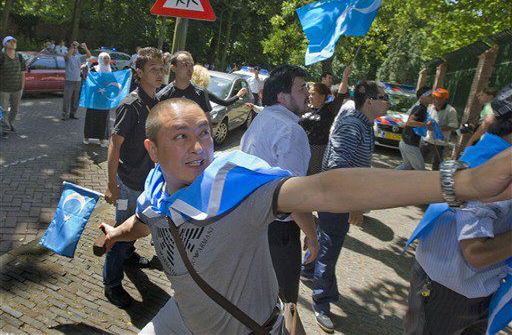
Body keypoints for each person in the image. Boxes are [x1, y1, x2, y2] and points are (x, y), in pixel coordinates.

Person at [99, 96, 512, 335]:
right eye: (181, 137)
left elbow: (323, 189)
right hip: (181, 321)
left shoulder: (235, 185)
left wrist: (462, 184)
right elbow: (148, 219)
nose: (198, 147)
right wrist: (116, 233)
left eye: (204, 132)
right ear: (153, 151)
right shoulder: (155, 187)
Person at [403, 84, 512, 335]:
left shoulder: (491, 153)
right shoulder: (492, 165)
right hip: (448, 291)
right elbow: (475, 252)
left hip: (469, 288)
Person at [303, 80, 389, 332]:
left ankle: (308, 269)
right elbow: (339, 168)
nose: (387, 102)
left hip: (339, 197)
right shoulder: (353, 124)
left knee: (324, 241)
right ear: (370, 101)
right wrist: (354, 204)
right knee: (330, 249)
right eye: (384, 97)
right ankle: (321, 302)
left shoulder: (362, 122)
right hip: (338, 199)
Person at [241, 65, 319, 307]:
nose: (308, 92)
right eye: (302, 88)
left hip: (252, 223)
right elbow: (291, 197)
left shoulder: (262, 118)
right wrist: (313, 236)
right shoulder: (291, 131)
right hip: (278, 234)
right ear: (282, 97)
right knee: (283, 305)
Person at [102, 47, 163, 308]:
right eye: (154, 69)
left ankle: (129, 256)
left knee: (136, 229)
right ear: (139, 73)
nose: (160, 74)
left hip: (149, 184)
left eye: (162, 69)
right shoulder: (131, 105)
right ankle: (112, 283)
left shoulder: (157, 102)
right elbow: (114, 145)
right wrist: (111, 185)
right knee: (118, 234)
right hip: (128, 187)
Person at [156, 51, 212, 119]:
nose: (190, 69)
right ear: (173, 68)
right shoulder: (163, 96)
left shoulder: (201, 93)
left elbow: (207, 124)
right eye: (185, 65)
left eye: (192, 65)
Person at [300, 82, 335, 175]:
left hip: (318, 150)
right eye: (310, 94)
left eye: (313, 94)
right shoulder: (305, 108)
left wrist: (345, 77)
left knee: (312, 176)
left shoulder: (329, 110)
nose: (310, 96)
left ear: (322, 96)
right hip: (302, 147)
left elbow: (341, 96)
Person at [420, 88, 459, 170]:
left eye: (439, 98)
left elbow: (454, 125)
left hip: (440, 143)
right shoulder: (430, 107)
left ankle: (434, 181)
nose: (436, 99)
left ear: (445, 99)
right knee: (418, 160)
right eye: (435, 97)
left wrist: (437, 128)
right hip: (426, 139)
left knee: (436, 165)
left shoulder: (451, 111)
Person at [396, 87, 434, 171]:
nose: (432, 97)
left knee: (407, 166)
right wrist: (426, 125)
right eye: (430, 95)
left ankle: (388, 176)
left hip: (406, 142)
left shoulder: (421, 108)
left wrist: (427, 126)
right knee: (421, 171)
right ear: (422, 98)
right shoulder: (420, 109)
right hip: (410, 143)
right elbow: (409, 122)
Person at [83, 52, 112, 146]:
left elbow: (113, 83)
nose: (107, 60)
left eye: (108, 58)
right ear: (100, 59)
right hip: (94, 98)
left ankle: (101, 138)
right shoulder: (94, 70)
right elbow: (89, 82)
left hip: (105, 99)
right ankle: (86, 137)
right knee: (92, 117)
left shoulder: (110, 70)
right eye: (105, 58)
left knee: (103, 118)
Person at [0, 36, 26, 134]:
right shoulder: (1, 57)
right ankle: (5, 128)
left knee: (15, 109)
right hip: (4, 89)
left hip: (17, 88)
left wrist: (22, 87)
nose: (13, 43)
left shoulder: (19, 57)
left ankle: (10, 124)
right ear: (5, 44)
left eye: (14, 41)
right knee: (4, 110)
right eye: (10, 42)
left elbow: (23, 73)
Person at [62, 41, 91, 121]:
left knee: (75, 99)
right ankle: (65, 115)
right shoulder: (67, 56)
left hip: (78, 81)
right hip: (69, 81)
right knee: (67, 99)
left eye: (76, 48)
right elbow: (67, 55)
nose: (75, 49)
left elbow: (89, 55)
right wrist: (73, 47)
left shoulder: (79, 57)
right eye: (73, 47)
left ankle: (73, 113)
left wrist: (85, 48)